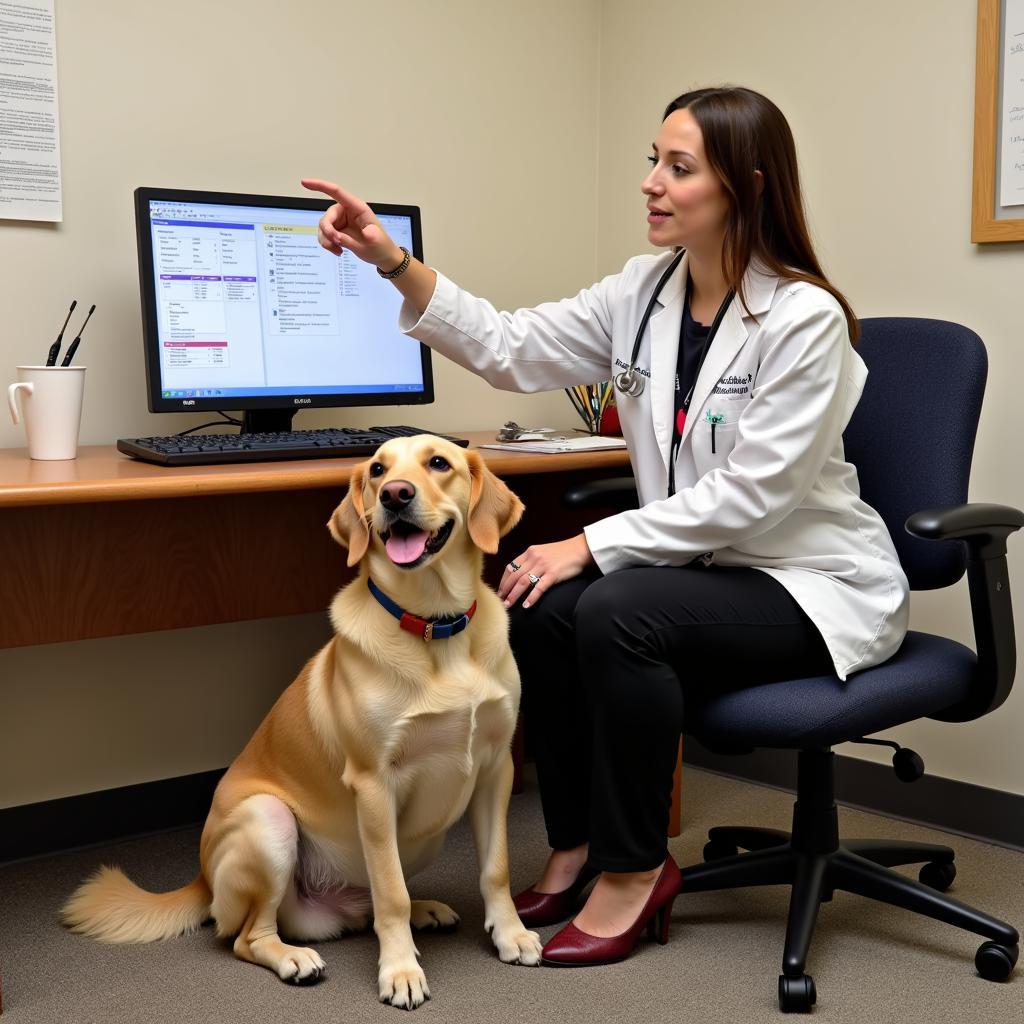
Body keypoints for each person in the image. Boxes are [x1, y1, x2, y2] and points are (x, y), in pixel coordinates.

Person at [301, 84, 909, 968]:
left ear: (747, 186)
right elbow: (509, 345)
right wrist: (394, 260)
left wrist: (591, 542)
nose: (652, 184)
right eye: (652, 163)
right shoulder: (645, 290)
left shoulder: (804, 318)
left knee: (612, 611)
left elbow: (755, 496)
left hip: (807, 584)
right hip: (703, 574)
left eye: (679, 167)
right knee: (537, 604)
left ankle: (634, 869)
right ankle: (579, 842)